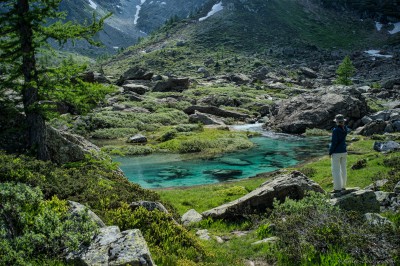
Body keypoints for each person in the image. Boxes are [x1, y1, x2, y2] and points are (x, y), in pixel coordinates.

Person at [329, 114, 348, 192]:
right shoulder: (345, 129)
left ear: (337, 122)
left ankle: (337, 188)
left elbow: (334, 142)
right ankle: (343, 186)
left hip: (336, 152)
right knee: (343, 169)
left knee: (336, 170)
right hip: (344, 151)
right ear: (343, 121)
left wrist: (330, 152)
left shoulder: (335, 130)